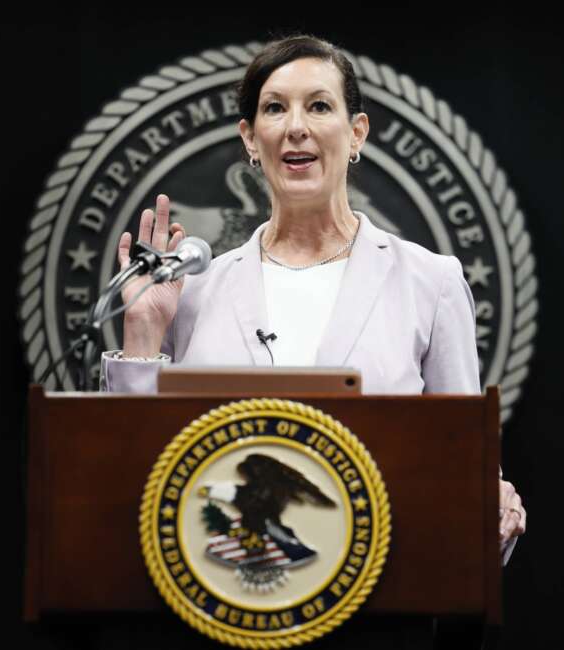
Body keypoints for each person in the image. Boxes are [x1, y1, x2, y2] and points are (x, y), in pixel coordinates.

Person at [102, 33, 525, 567]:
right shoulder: (195, 291)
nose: (296, 126)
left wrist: (495, 507)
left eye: (319, 106)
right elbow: (134, 481)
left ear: (356, 134)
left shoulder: (430, 283)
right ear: (251, 140)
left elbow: (470, 487)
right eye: (275, 109)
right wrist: (142, 334)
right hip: (221, 592)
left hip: (378, 595)